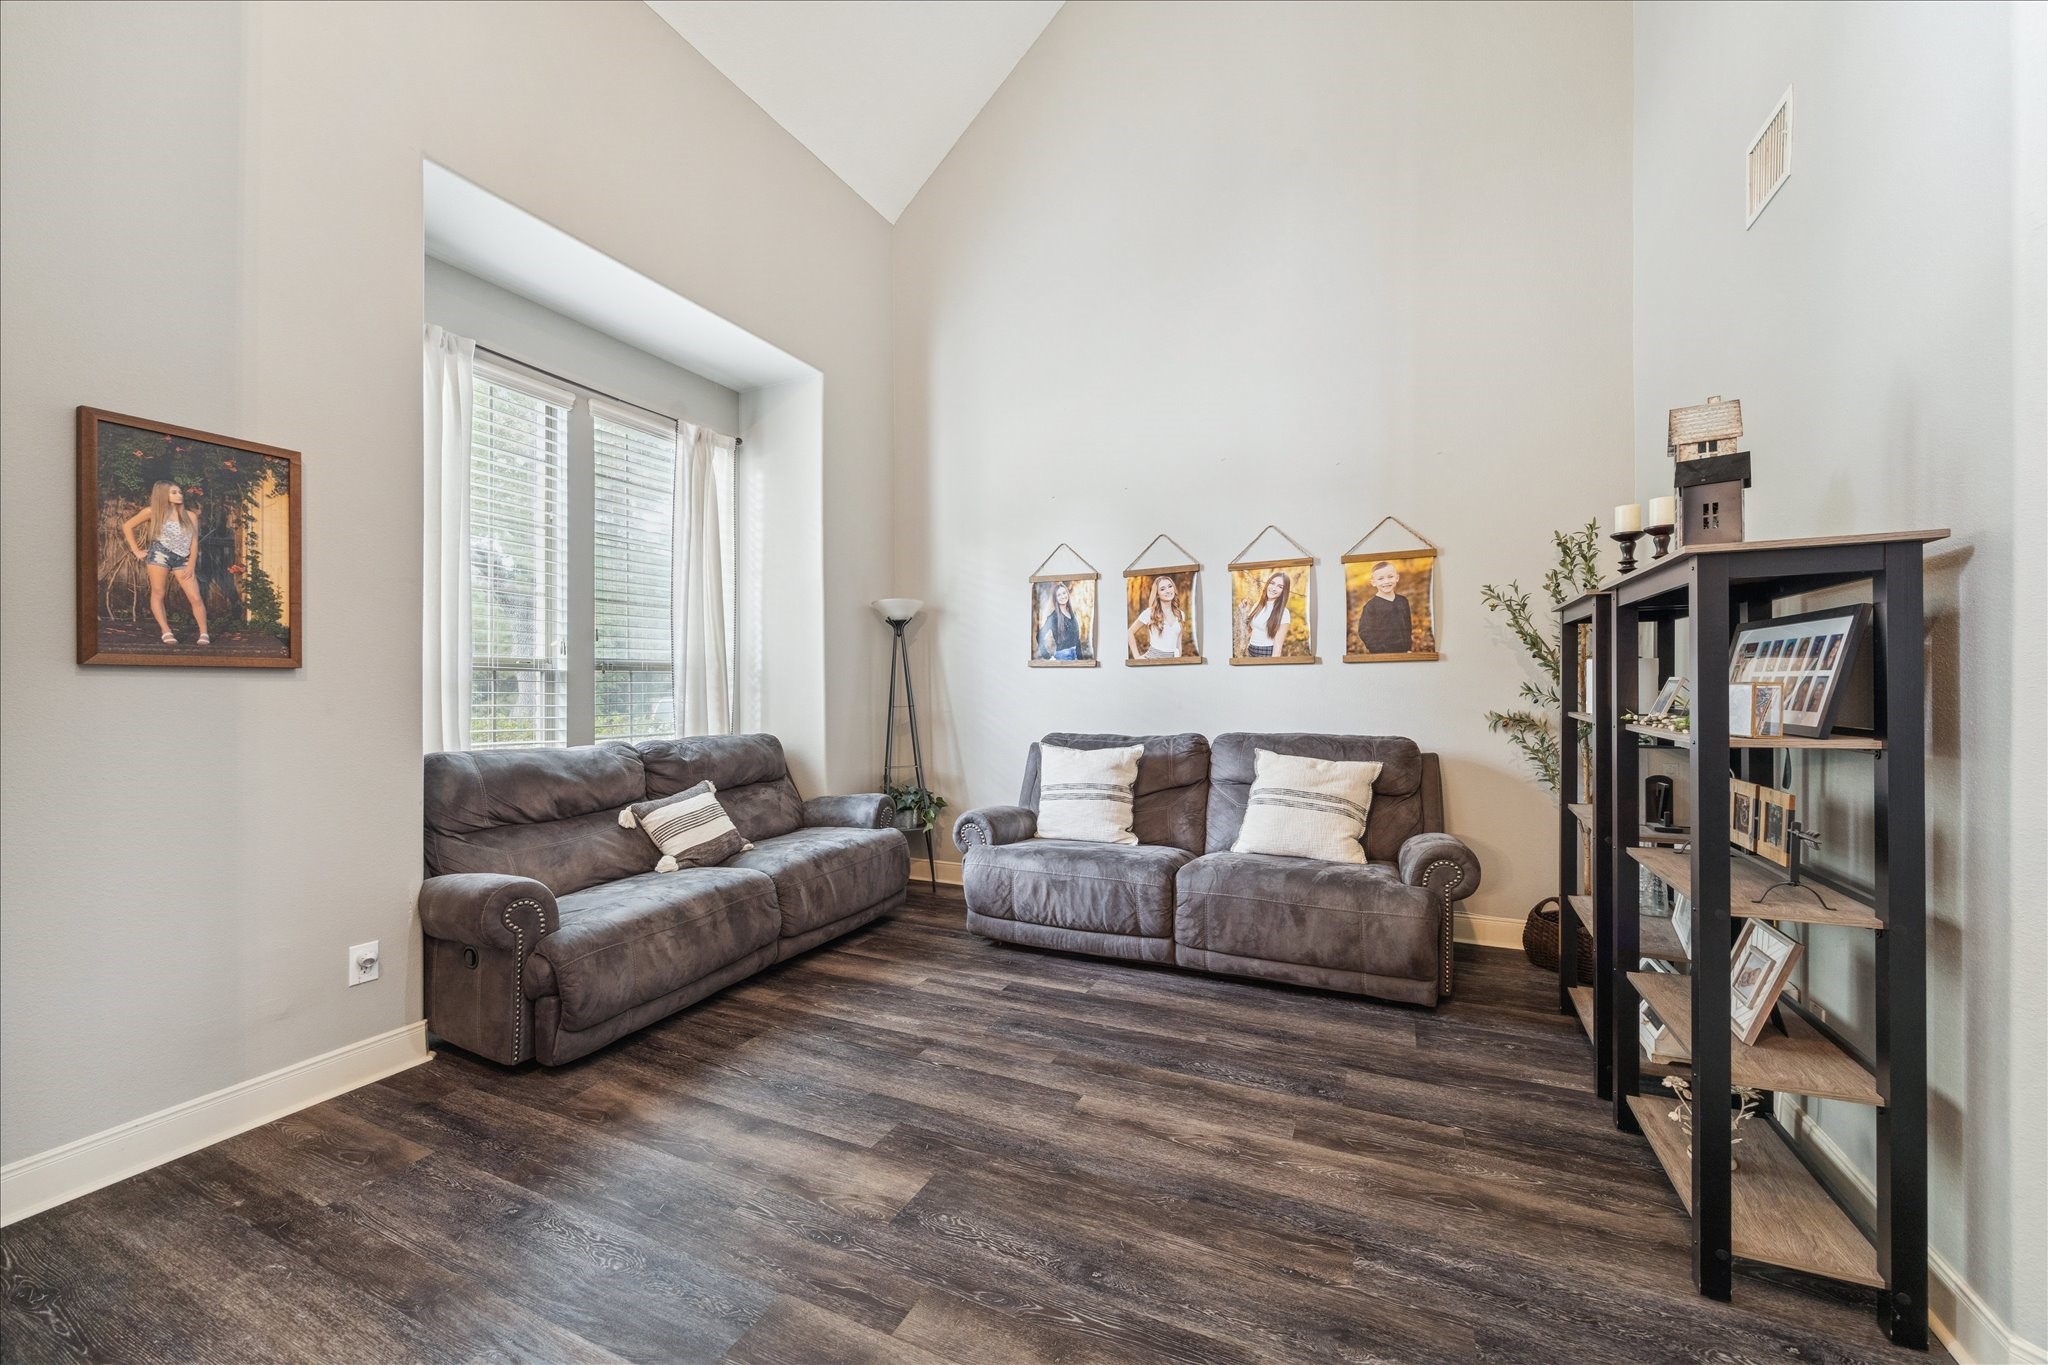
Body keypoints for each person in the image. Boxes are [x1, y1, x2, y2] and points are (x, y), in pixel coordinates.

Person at [122, 480, 210, 646]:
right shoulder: (152, 512)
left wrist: (191, 564)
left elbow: (194, 543)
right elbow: (127, 526)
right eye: (174, 492)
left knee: (195, 597)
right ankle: (166, 630)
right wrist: (137, 551)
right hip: (160, 555)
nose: (179, 495)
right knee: (158, 593)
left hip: (183, 558)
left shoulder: (190, 516)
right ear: (163, 495)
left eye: (180, 491)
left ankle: (204, 633)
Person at [1355, 560, 1413, 654]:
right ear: (1373, 582)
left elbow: (1407, 627)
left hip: (1404, 652)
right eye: (1381, 579)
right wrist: (1379, 652)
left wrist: (1408, 648)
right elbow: (1365, 632)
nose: (1386, 581)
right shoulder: (1371, 607)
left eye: (1390, 577)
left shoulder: (1403, 601)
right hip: (1383, 654)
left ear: (1397, 578)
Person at [1127, 574, 1187, 660]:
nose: (1168, 591)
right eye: (1162, 589)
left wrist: (1178, 660)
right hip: (1152, 659)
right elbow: (1130, 631)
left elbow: (1178, 642)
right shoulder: (1149, 613)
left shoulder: (1180, 614)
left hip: (1173, 660)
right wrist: (1137, 657)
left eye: (1170, 586)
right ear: (1157, 594)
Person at [1239, 571, 1291, 658]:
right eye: (1272, 583)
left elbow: (1278, 649)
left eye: (1280, 587)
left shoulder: (1284, 613)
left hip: (1266, 653)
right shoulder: (1258, 605)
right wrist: (1243, 613)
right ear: (1267, 584)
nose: (1274, 588)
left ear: (1284, 591)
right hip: (1250, 650)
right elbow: (1248, 632)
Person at [1038, 580, 1084, 661]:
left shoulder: (1073, 614)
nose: (1063, 596)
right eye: (1059, 595)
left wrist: (1081, 659)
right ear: (1056, 599)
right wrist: (1048, 657)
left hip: (1076, 656)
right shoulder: (1053, 617)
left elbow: (1077, 639)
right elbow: (1039, 636)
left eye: (1064, 593)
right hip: (1063, 657)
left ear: (1067, 594)